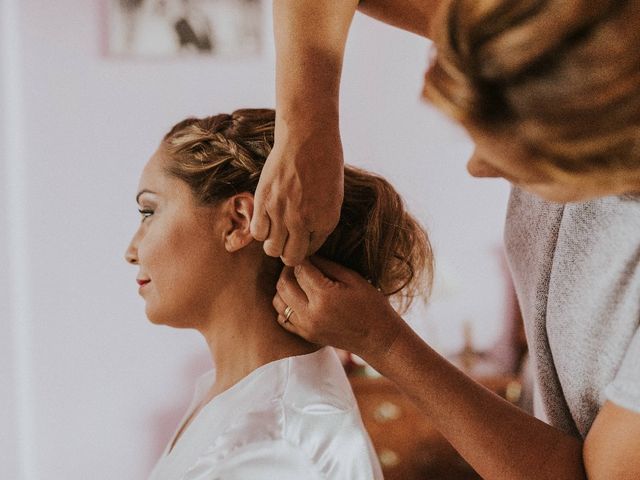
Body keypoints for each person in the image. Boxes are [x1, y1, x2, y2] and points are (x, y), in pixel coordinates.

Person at [265, 0, 640, 479]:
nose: (477, 167)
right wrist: (305, 129)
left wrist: (382, 340)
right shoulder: (565, 36)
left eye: (515, 163)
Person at [124, 108, 433, 479]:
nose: (131, 250)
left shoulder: (273, 445)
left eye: (148, 212)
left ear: (237, 222)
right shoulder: (227, 394)